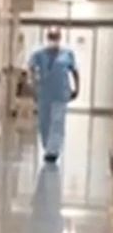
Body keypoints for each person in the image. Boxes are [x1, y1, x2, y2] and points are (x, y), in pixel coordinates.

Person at [27, 28, 79, 163]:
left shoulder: (67, 54)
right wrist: (33, 85)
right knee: (44, 122)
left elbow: (74, 71)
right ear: (47, 37)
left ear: (60, 38)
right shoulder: (39, 54)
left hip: (61, 93)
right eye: (51, 36)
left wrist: (76, 89)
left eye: (56, 36)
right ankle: (47, 146)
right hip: (44, 93)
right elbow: (31, 68)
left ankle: (53, 151)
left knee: (57, 121)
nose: (53, 39)